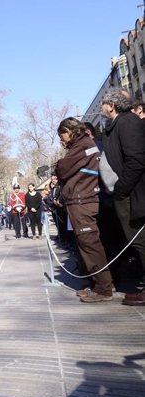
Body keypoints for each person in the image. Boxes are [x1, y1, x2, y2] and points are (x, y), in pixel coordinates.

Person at [55, 117, 115, 303]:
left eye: (62, 135)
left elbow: (62, 169)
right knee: (87, 245)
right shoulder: (82, 145)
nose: (61, 140)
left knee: (90, 244)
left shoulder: (82, 145)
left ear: (70, 131)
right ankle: (99, 284)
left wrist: (59, 164)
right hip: (80, 199)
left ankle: (104, 289)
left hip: (82, 200)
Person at [101, 89, 145, 306]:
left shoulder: (128, 122)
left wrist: (121, 189)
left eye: (104, 102)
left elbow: (136, 160)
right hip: (124, 194)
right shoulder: (116, 125)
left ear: (112, 105)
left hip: (132, 194)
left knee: (141, 241)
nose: (102, 106)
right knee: (135, 241)